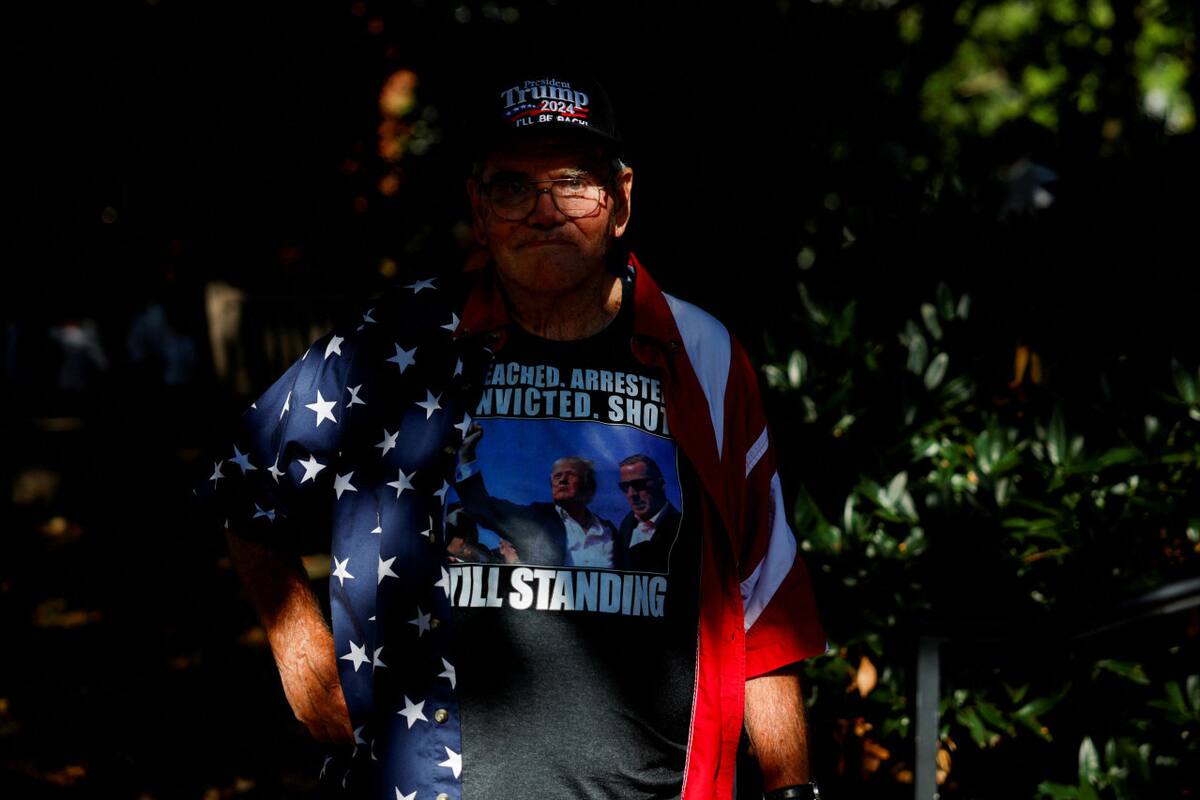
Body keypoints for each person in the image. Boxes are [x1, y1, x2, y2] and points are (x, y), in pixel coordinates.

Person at [197, 65, 825, 800]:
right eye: (511, 188)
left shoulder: (704, 354)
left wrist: (790, 787)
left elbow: (764, 599)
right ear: (479, 207)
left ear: (622, 201)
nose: (544, 210)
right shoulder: (402, 341)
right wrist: (298, 648)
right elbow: (245, 481)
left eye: (573, 182)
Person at [454, 421, 619, 567]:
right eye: (556, 476)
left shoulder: (610, 530)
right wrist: (467, 455)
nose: (561, 480)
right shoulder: (537, 519)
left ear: (588, 483)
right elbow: (481, 507)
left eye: (570, 474)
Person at [615, 453, 682, 573]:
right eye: (625, 487)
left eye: (639, 484)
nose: (631, 494)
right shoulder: (627, 525)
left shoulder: (683, 529)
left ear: (661, 484)